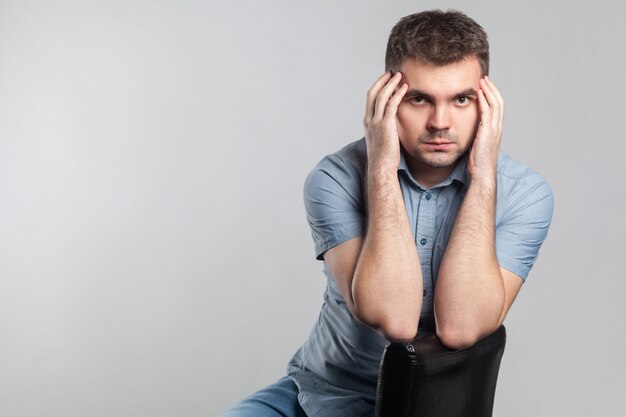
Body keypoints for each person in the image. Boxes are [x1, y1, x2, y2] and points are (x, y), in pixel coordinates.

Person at [219, 9, 553, 417]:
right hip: (317, 391)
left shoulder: (525, 195)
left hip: (420, 407)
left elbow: (461, 328)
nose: (440, 122)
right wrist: (381, 165)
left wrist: (483, 177)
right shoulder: (335, 179)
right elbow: (392, 316)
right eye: (419, 99)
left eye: (461, 99)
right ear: (386, 100)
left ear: (487, 105)